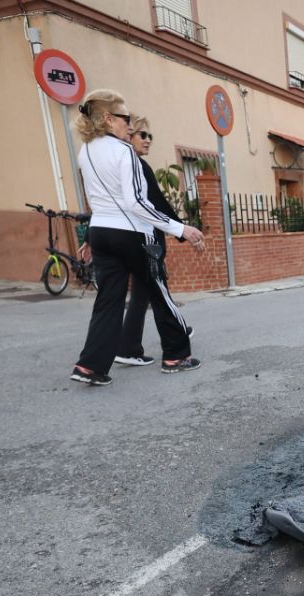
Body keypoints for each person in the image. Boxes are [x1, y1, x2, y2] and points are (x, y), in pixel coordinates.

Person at [70, 89, 205, 387]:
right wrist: (181, 229)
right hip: (132, 234)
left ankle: (89, 366)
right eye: (126, 118)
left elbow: (97, 199)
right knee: (159, 292)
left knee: (108, 301)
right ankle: (176, 356)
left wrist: (91, 236)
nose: (129, 125)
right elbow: (136, 203)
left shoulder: (85, 151)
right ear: (108, 118)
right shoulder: (123, 152)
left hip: (101, 232)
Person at [114, 115, 191, 368]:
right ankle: (175, 341)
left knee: (143, 292)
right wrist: (183, 230)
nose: (148, 141)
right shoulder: (137, 166)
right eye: (143, 135)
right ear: (129, 135)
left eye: (150, 136)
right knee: (156, 290)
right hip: (146, 238)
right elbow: (158, 203)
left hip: (130, 237)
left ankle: (128, 347)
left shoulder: (124, 164)